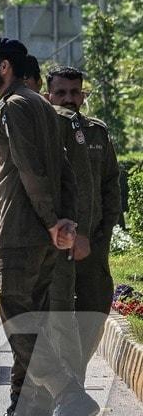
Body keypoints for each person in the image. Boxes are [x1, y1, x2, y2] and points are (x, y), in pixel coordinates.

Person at [0, 38, 95, 416]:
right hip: (44, 237)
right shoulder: (42, 106)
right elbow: (66, 173)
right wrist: (66, 224)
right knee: (34, 325)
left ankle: (67, 394)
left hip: (22, 235)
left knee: (18, 323)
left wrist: (49, 222)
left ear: (4, 66)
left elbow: (28, 169)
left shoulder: (14, 106)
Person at [45, 67, 122, 376]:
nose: (69, 99)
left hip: (91, 245)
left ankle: (74, 372)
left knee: (96, 305)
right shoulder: (40, 132)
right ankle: (66, 385)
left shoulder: (97, 133)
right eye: (61, 92)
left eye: (75, 92)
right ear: (48, 95)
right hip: (51, 246)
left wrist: (99, 236)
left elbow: (110, 186)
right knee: (55, 317)